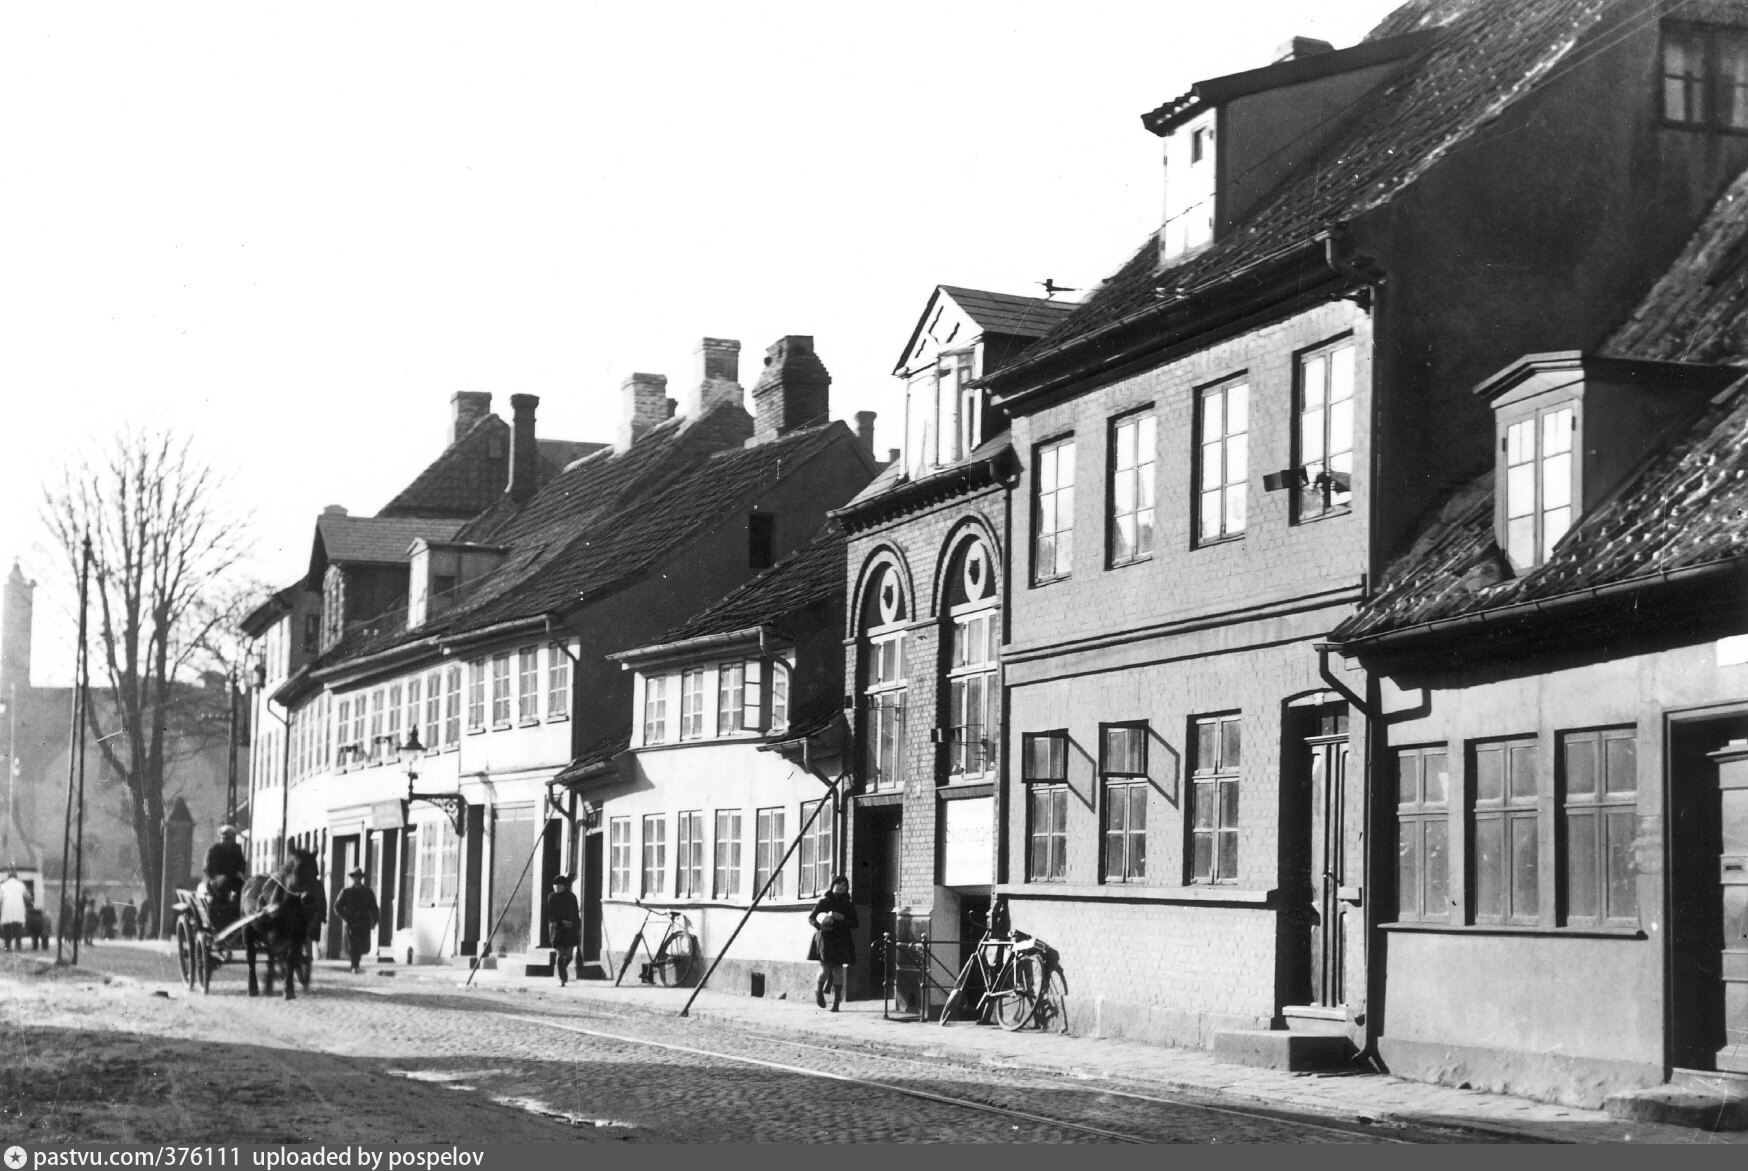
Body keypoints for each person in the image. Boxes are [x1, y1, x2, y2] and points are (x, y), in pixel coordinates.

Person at [806, 875, 858, 1012]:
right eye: (838, 884)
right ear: (833, 885)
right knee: (825, 970)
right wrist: (820, 926)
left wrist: (842, 918)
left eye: (844, 885)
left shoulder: (848, 904)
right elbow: (811, 918)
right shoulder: (824, 902)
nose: (841, 887)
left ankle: (836, 1003)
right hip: (826, 939)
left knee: (838, 971)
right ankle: (819, 991)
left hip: (841, 939)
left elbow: (855, 923)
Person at [332, 868, 379, 973]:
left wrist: (374, 921)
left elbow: (374, 908)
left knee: (362, 946)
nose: (357, 879)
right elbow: (337, 907)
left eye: (359, 877)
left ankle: (356, 963)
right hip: (351, 923)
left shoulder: (368, 892)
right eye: (355, 877)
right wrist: (345, 917)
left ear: (361, 878)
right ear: (352, 878)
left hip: (363, 923)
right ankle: (354, 966)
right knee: (353, 945)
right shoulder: (346, 892)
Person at [545, 874, 581, 986]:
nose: (556, 887)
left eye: (559, 885)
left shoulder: (571, 897)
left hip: (570, 929)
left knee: (569, 955)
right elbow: (550, 913)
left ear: (565, 886)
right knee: (560, 953)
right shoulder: (552, 897)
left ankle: (561, 970)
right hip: (557, 929)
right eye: (555, 885)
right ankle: (562, 978)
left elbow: (575, 912)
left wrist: (576, 925)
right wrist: (561, 921)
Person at [0, 868, 28, 952]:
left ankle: (7, 947)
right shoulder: (21, 885)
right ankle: (18, 946)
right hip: (18, 910)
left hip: (7, 910)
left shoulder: (3, 885)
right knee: (18, 930)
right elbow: (26, 896)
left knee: (7, 930)